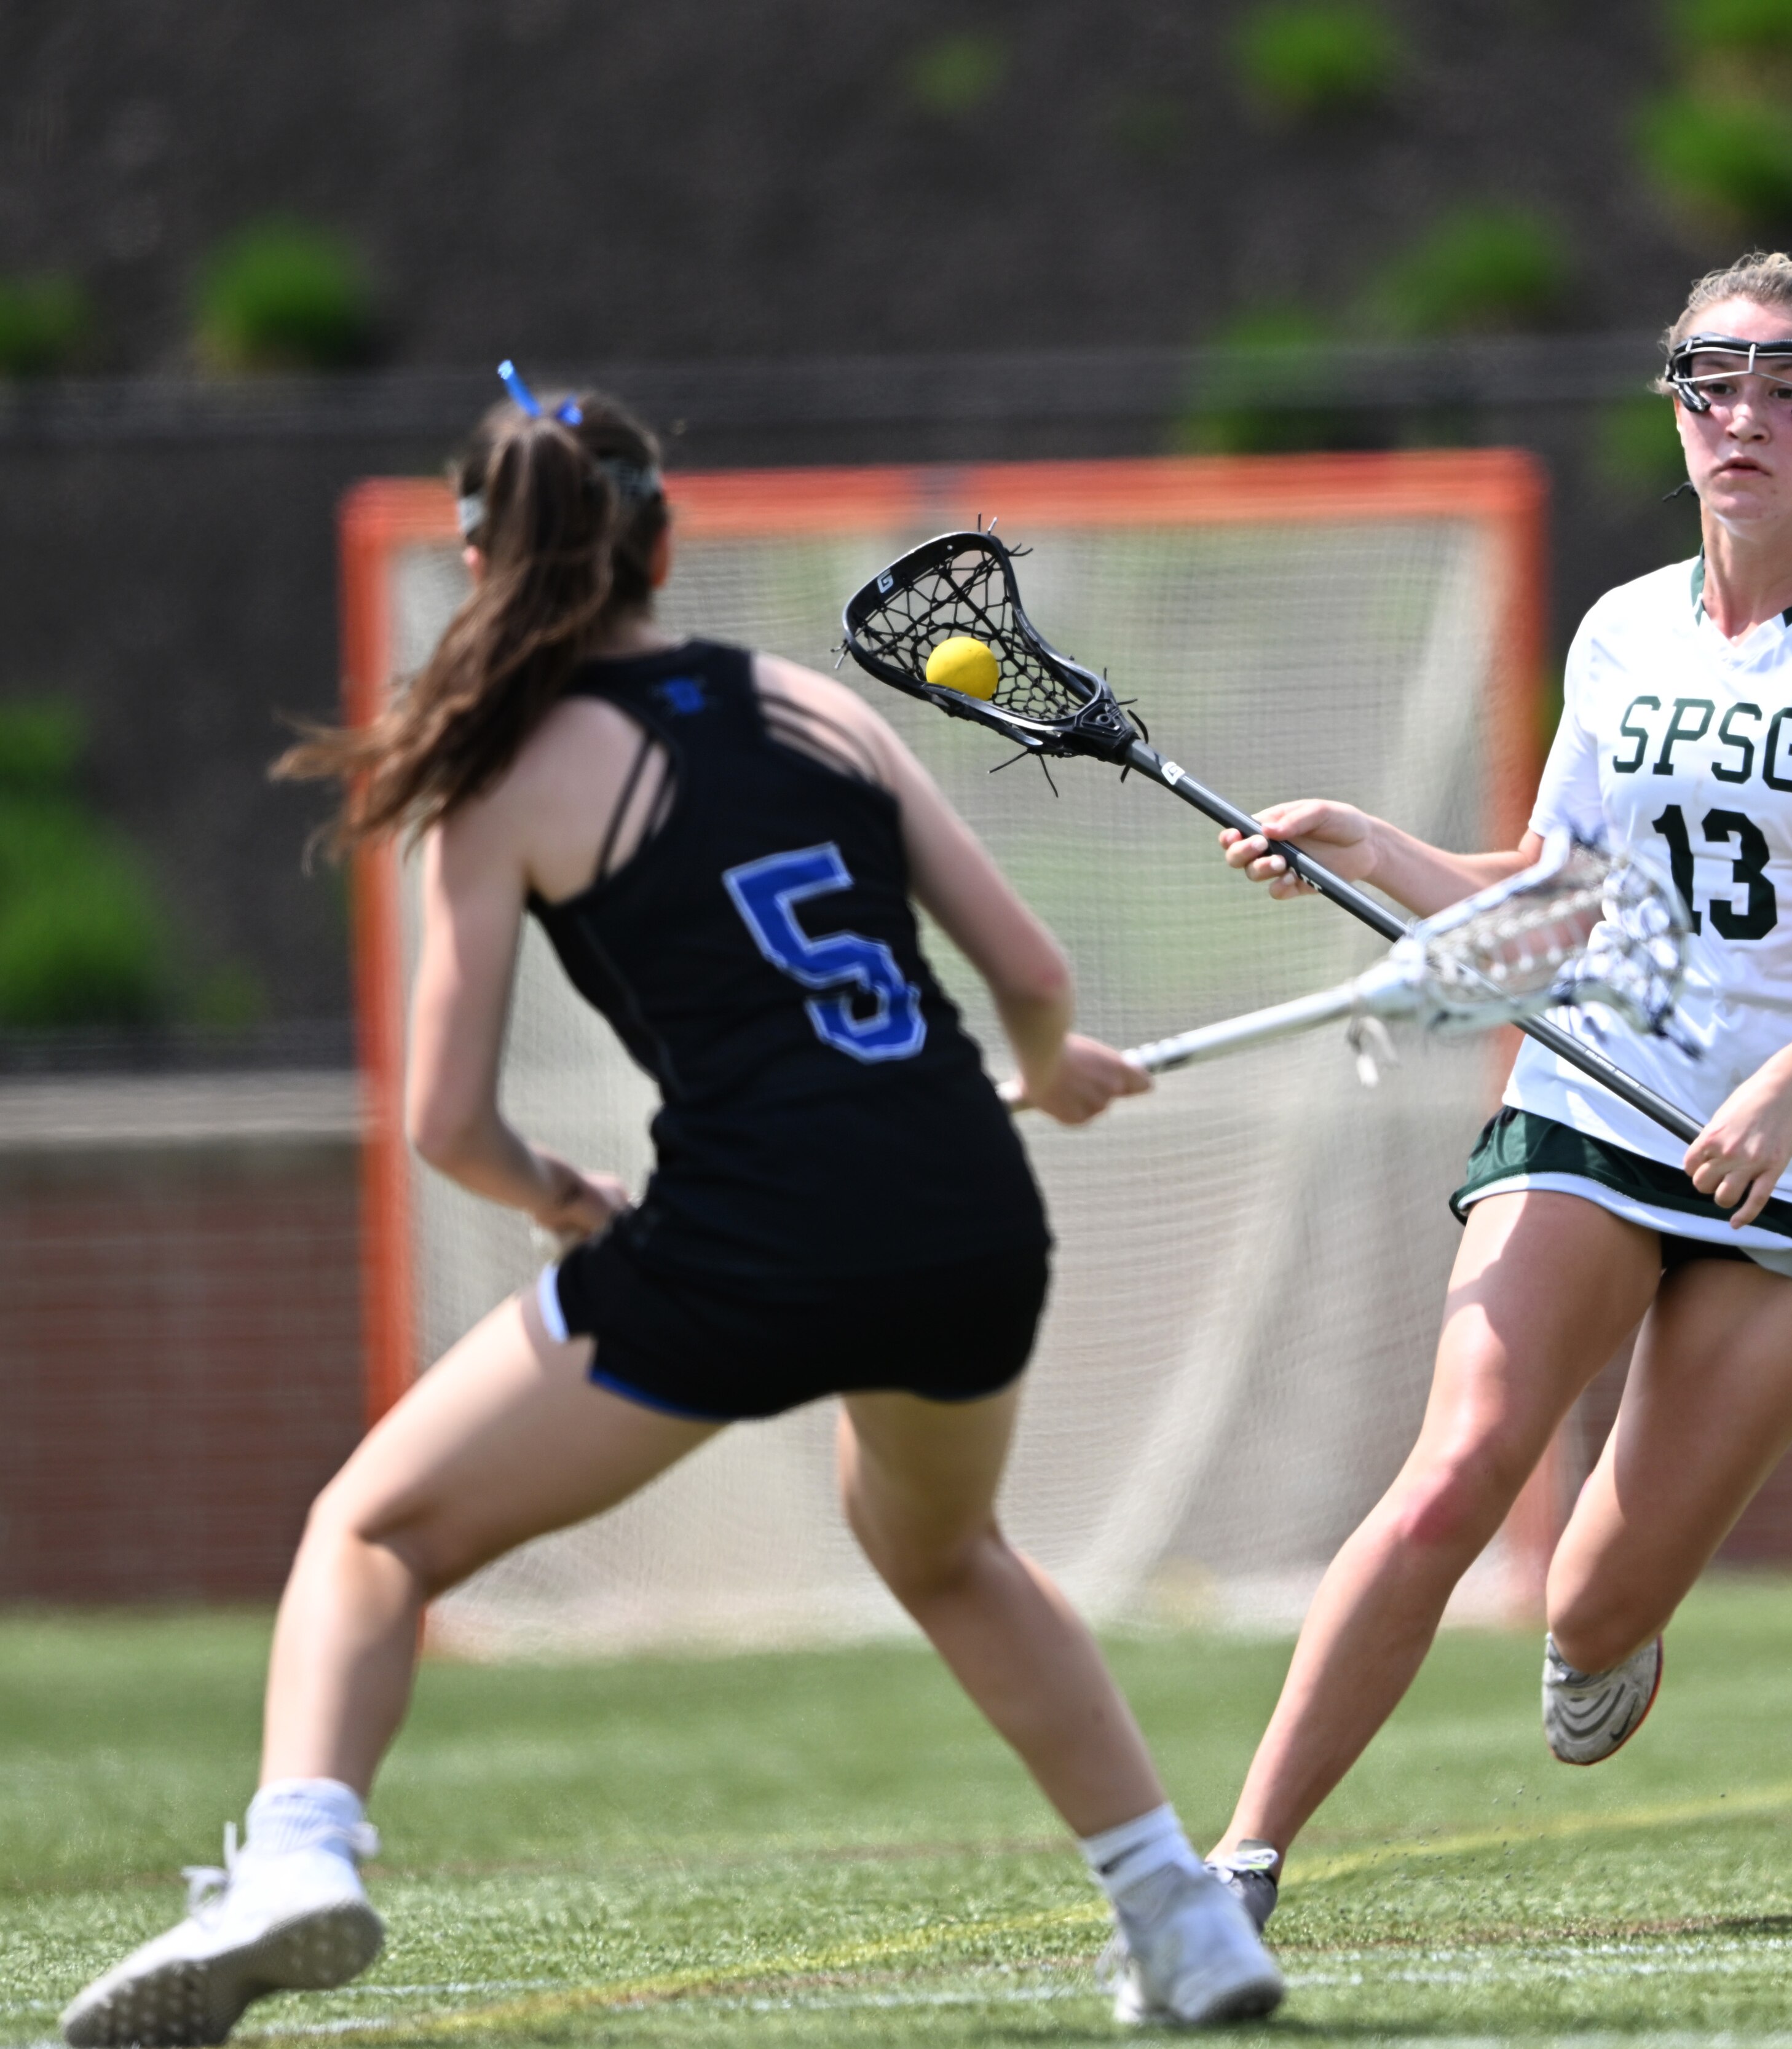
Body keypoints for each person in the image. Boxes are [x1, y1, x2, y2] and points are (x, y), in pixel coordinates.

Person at [60, 374, 1281, 2047]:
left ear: (483, 559)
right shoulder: (811, 706)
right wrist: (1042, 1063)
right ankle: (1181, 1916)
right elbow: (1034, 972)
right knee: (947, 1549)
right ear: (662, 543)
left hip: (749, 1238)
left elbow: (447, 1124)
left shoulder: (502, 770)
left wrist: (561, 1195)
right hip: (968, 1211)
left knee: (374, 1530)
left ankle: (295, 1853)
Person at [1187, 254, 1792, 1930]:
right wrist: (1375, 845)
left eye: (1791, 390)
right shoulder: (1623, 630)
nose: (1747, 419)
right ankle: (1236, 1863)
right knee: (1456, 1468)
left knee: (1586, 1607)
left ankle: (1613, 1619)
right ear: (1677, 406)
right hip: (1604, 1087)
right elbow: (1558, 892)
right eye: (1715, 383)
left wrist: (1787, 1088)